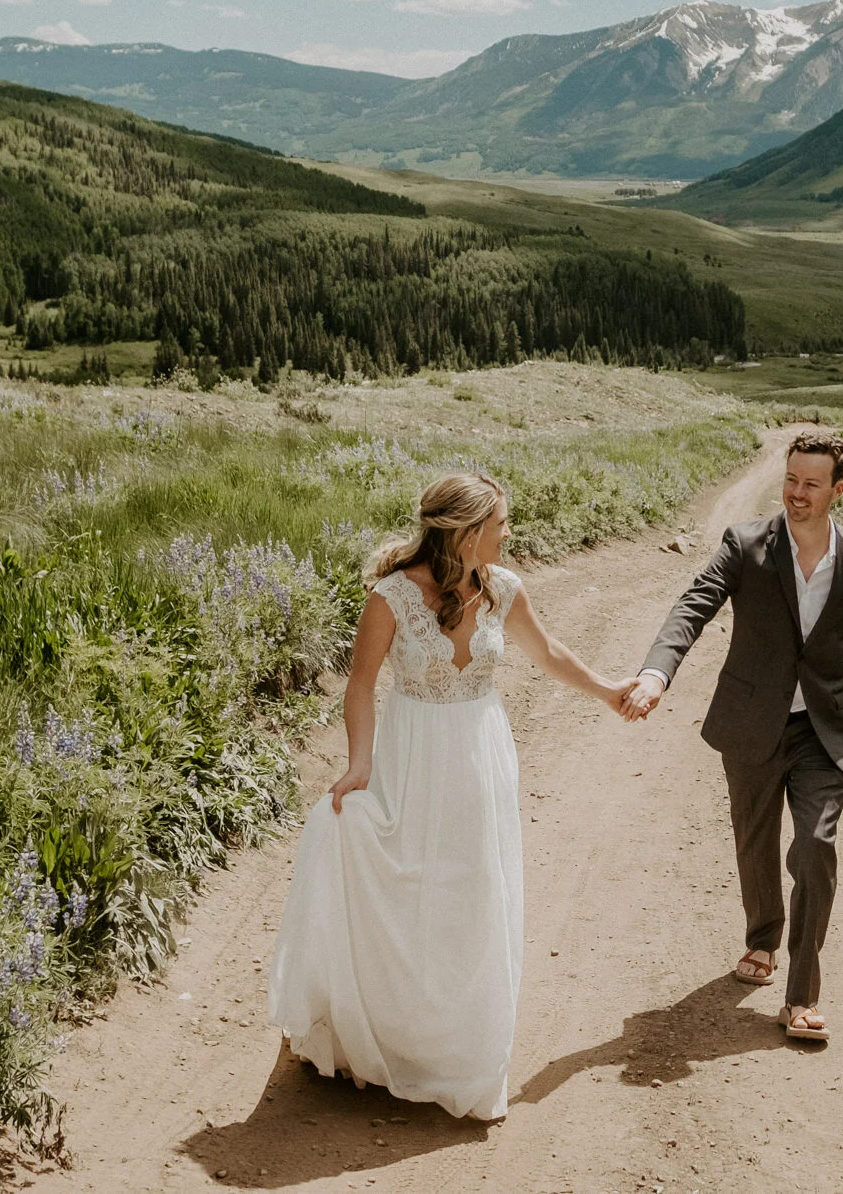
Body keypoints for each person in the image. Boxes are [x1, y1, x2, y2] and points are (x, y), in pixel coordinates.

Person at [267, 472, 632, 1120]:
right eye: (500, 522)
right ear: (465, 531)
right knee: (409, 886)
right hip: (412, 757)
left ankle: (456, 1055)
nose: (508, 532)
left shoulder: (503, 589)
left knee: (471, 894)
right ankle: (382, 1036)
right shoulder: (390, 597)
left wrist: (607, 689)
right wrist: (357, 765)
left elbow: (548, 653)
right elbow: (360, 683)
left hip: (480, 757)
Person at [622, 429, 843, 1042]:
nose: (796, 493)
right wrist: (657, 673)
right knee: (755, 841)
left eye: (811, 485)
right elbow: (694, 604)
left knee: (815, 848)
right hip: (751, 720)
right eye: (790, 480)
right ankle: (762, 938)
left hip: (825, 730)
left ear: (836, 490)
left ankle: (802, 996)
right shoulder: (744, 545)